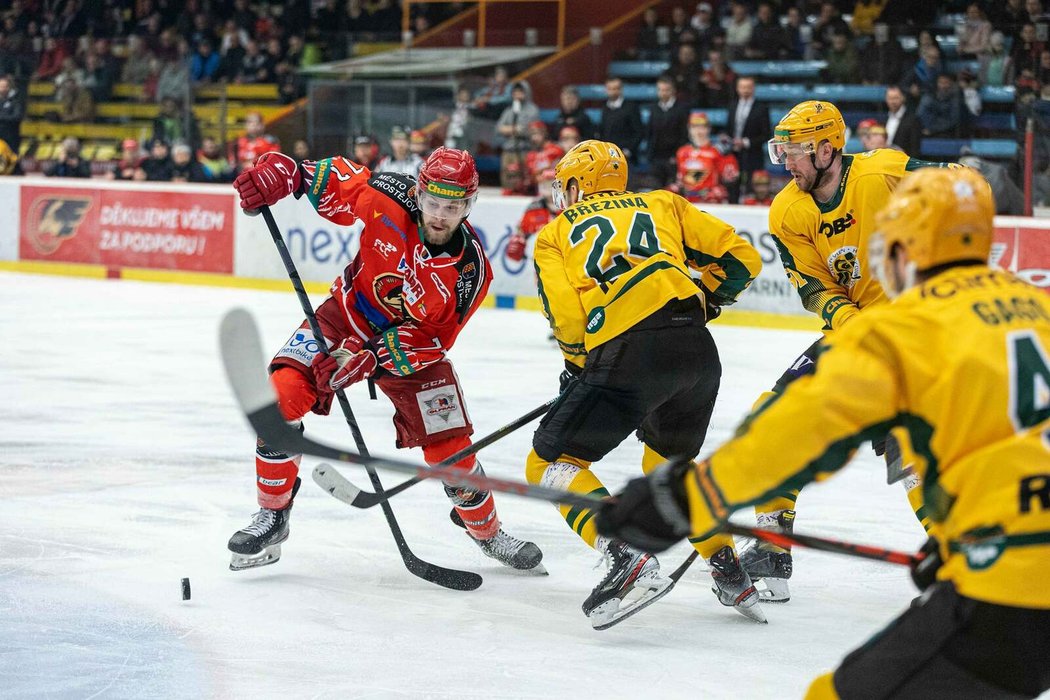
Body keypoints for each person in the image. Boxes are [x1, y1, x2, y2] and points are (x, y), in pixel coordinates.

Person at [597, 166, 1050, 700]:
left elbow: (797, 435)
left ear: (905, 249)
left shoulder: (902, 329)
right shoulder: (1038, 307)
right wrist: (958, 538)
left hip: (1019, 586)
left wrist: (685, 502)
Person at [228, 146, 544, 573]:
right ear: (419, 190)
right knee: (280, 396)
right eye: (432, 201)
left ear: (469, 205)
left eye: (453, 206)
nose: (439, 214)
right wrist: (284, 174)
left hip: (407, 351)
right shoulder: (386, 196)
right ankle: (273, 514)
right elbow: (327, 176)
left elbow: (433, 340)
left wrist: (369, 359)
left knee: (451, 451)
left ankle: (488, 534)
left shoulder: (470, 272)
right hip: (346, 317)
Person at [692, 100, 957, 605]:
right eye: (781, 151)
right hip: (862, 336)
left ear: (826, 147)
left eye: (792, 152)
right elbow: (812, 286)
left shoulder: (885, 169)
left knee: (912, 448)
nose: (784, 163)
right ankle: (771, 546)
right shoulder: (787, 210)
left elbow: (967, 184)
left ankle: (965, 560)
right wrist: (848, 319)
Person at [525, 140, 763, 628]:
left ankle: (623, 554)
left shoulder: (555, 233)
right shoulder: (663, 203)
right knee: (669, 466)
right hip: (697, 351)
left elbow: (568, 321)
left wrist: (577, 367)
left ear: (577, 185)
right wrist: (706, 299)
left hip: (629, 351)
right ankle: (728, 570)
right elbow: (743, 259)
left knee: (548, 461)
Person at [672, 110, 739, 204]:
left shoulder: (718, 151)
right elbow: (680, 180)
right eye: (694, 127)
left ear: (708, 129)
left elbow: (731, 179)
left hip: (710, 201)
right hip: (688, 201)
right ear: (689, 129)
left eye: (702, 127)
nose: (698, 131)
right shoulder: (682, 152)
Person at [727, 76, 772, 193]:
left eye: (748, 87)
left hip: (753, 155)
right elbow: (729, 129)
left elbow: (766, 134)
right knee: (733, 185)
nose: (745, 90)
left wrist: (746, 142)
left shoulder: (762, 108)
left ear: (753, 88)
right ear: (737, 88)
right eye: (742, 87)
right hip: (734, 153)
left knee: (752, 187)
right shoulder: (732, 105)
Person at [505, 168, 559, 264]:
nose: (547, 187)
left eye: (550, 183)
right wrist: (518, 244)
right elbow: (520, 234)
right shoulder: (533, 208)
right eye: (544, 183)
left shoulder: (571, 206)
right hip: (542, 263)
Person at [647, 74, 691, 188]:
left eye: (666, 90)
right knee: (655, 190)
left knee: (673, 190)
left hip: (674, 157)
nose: (663, 93)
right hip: (656, 157)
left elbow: (684, 134)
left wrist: (677, 155)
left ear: (673, 90)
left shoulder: (682, 109)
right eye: (661, 90)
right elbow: (650, 132)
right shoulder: (653, 108)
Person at [597, 77, 644, 164]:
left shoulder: (631, 107)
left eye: (615, 89)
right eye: (610, 89)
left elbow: (639, 132)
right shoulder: (605, 107)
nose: (612, 92)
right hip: (607, 155)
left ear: (621, 89)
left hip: (626, 156)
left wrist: (628, 151)